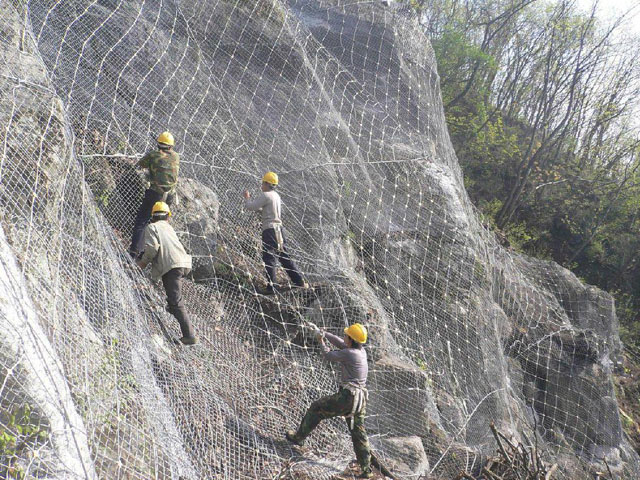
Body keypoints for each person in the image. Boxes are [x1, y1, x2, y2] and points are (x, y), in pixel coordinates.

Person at [286, 323, 372, 479]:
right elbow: (340, 342)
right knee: (358, 432)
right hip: (360, 400)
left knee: (316, 408)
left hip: (348, 397)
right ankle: (366, 469)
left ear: (351, 340)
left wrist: (320, 340)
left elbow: (328, 355)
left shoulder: (350, 354)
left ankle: (298, 437)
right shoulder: (361, 351)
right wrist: (323, 332)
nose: (344, 336)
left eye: (347, 335)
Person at [137, 202, 196, 345]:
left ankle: (189, 336)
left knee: (176, 302)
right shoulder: (169, 228)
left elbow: (153, 248)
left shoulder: (152, 227)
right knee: (172, 299)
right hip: (181, 263)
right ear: (167, 217)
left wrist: (142, 264)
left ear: (153, 217)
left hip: (171, 266)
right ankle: (171, 307)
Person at [243, 171, 307, 295]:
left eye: (263, 183)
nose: (261, 185)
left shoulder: (266, 195)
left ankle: (272, 288)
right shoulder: (276, 196)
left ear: (267, 184)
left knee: (269, 258)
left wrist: (247, 198)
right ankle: (299, 281)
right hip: (279, 230)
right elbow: (266, 211)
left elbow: (251, 206)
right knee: (284, 257)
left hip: (270, 231)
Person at [129, 131, 180, 259]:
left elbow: (141, 165)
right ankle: (159, 256)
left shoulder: (153, 155)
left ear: (159, 144)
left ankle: (135, 253)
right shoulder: (176, 156)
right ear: (171, 146)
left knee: (142, 221)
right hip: (169, 196)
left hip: (154, 194)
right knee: (161, 226)